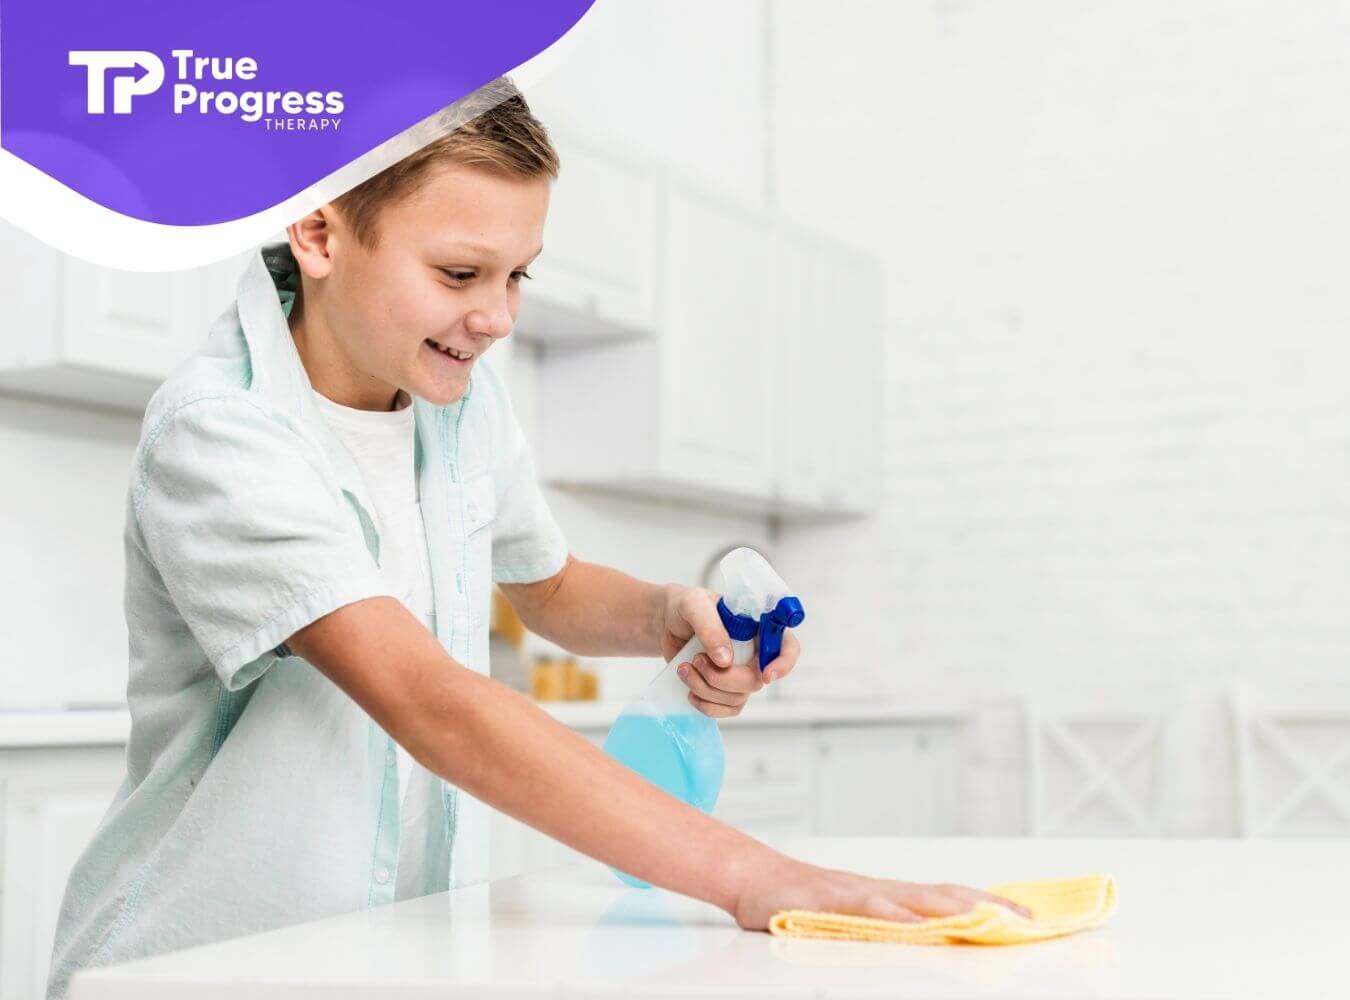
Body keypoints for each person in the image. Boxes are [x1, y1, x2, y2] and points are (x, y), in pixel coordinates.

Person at [46, 78, 1028, 1000]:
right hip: (203, 960)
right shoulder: (222, 433)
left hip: (382, 946)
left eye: (519, 274)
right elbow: (430, 701)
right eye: (461, 272)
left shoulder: (457, 405)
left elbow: (545, 586)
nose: (498, 315)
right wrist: (756, 875)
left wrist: (663, 615)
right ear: (318, 231)